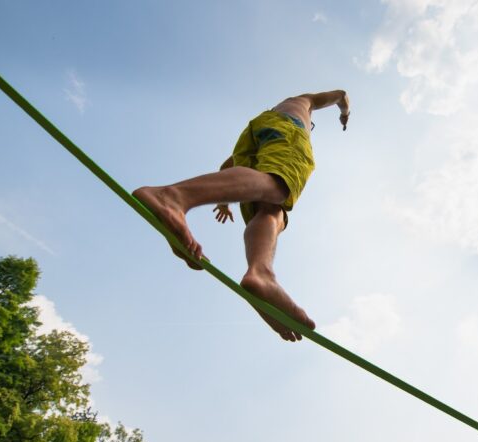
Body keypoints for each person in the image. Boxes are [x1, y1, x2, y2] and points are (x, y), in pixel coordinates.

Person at [133, 90, 350, 342]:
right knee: (280, 186)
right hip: (287, 130)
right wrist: (345, 114)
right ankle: (173, 196)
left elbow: (230, 165)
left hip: (253, 137)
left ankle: (260, 274)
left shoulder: (271, 118)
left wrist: (225, 201)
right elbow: (341, 94)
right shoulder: (304, 102)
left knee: (272, 208)